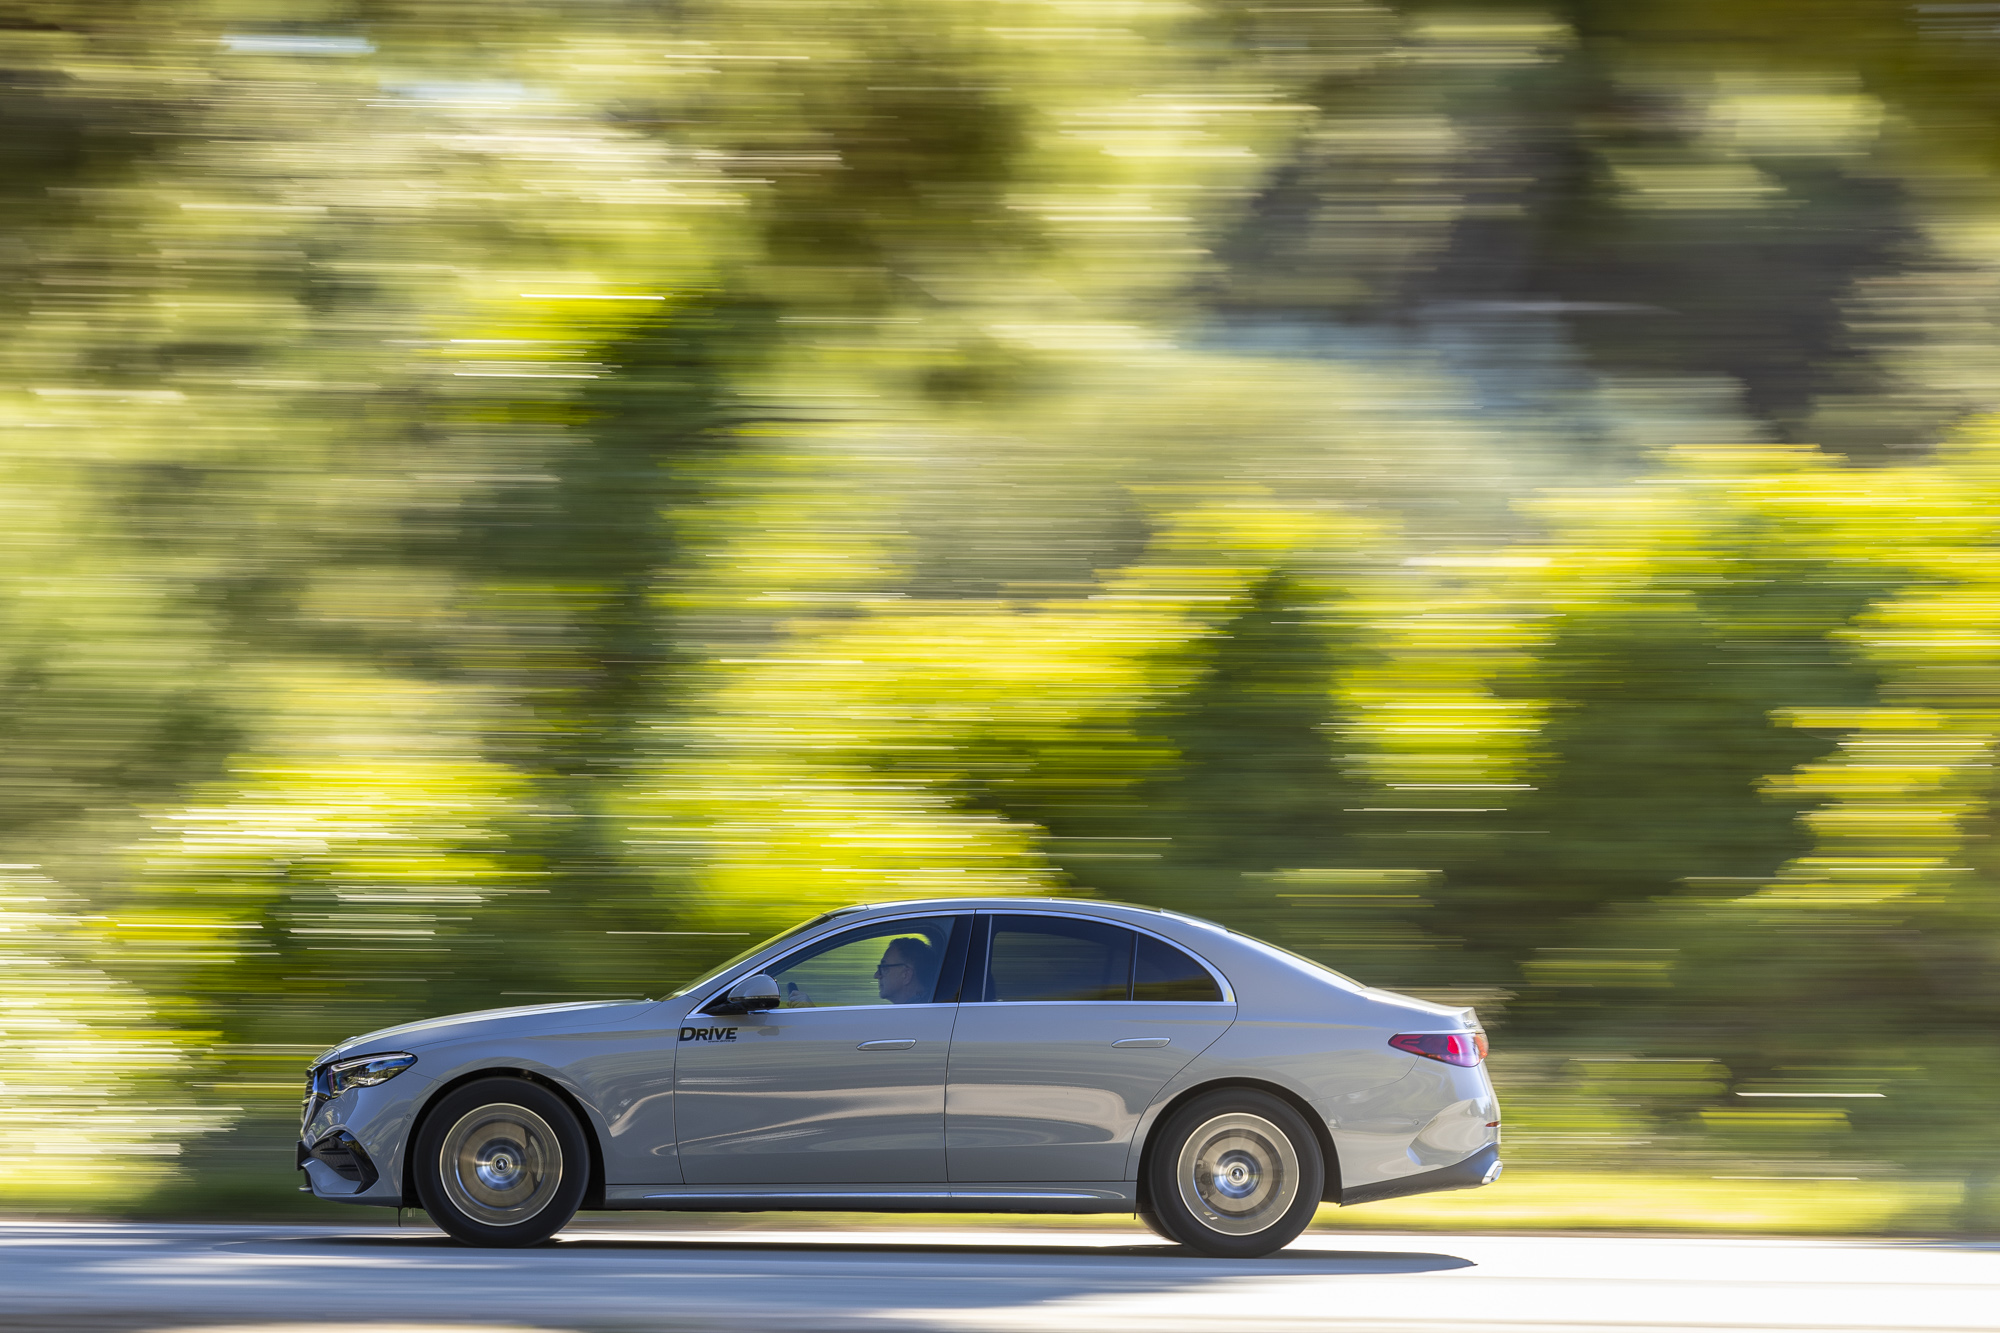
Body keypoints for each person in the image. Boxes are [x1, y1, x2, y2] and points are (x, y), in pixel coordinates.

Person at [875, 936, 939, 1004]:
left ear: (906, 975)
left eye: (884, 968)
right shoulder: (920, 1007)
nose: (876, 975)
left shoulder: (917, 1012)